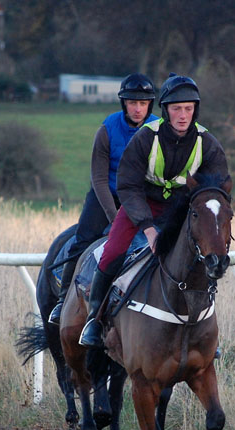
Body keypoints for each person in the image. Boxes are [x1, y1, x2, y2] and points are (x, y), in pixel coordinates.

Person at [79, 73, 231, 347]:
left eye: (188, 109)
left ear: (195, 109)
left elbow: (217, 188)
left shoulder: (208, 142)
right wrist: (148, 229)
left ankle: (205, 332)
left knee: (197, 256)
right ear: (165, 110)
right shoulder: (145, 137)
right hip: (141, 203)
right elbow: (127, 186)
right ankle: (95, 319)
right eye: (176, 109)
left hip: (181, 207)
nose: (183, 115)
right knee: (113, 251)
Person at [47, 73, 159, 325]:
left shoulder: (159, 129)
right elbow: (98, 178)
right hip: (106, 195)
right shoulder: (107, 129)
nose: (138, 108)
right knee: (82, 240)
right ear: (123, 103)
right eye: (132, 103)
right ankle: (62, 300)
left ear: (150, 105)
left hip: (141, 199)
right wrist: (114, 216)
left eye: (143, 103)